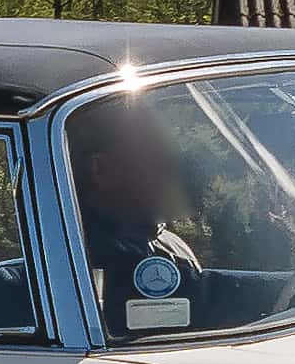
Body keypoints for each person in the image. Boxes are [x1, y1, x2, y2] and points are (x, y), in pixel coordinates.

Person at [66, 96, 208, 340]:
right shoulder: (82, 258)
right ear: (102, 169)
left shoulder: (164, 241)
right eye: (152, 154)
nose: (169, 167)